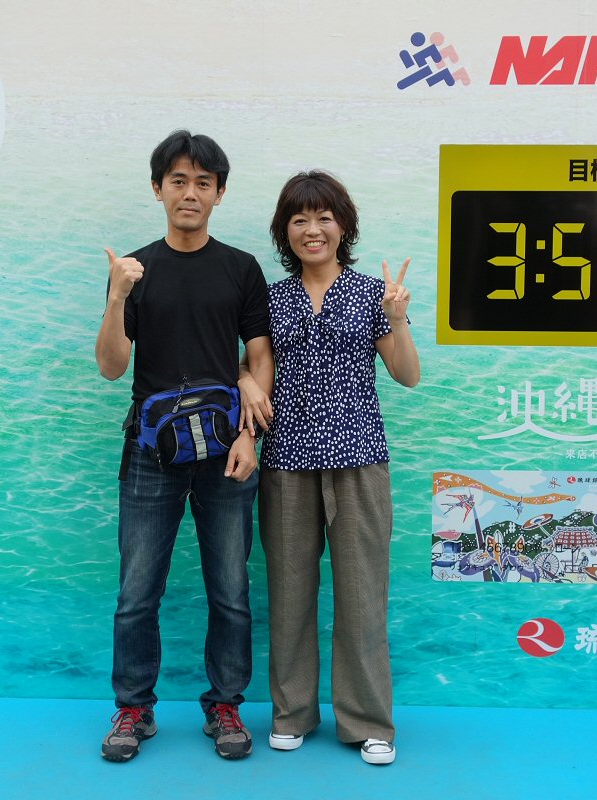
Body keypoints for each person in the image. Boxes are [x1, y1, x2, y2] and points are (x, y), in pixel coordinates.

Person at [94, 130, 273, 762]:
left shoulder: (241, 268)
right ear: (157, 189)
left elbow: (259, 357)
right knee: (137, 592)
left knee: (230, 590)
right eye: (178, 181)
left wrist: (250, 435)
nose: (189, 193)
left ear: (219, 193)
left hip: (226, 450)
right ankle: (133, 709)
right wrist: (118, 295)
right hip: (151, 453)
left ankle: (225, 704)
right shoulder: (134, 270)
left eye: (203, 183)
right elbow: (111, 366)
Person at [237, 170, 420, 765]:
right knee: (289, 594)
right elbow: (249, 363)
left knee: (363, 596)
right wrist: (241, 380)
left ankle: (368, 722)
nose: (312, 229)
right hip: (286, 459)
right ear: (284, 231)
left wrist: (395, 318)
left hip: (359, 459)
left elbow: (407, 375)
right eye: (299, 219)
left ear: (344, 226)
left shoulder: (371, 294)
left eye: (323, 218)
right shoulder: (270, 297)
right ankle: (291, 712)